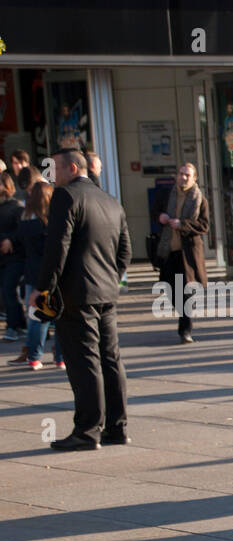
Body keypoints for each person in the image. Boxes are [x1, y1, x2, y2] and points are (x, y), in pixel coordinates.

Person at [32, 148, 131, 450]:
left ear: (72, 168)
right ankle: (117, 428)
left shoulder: (67, 197)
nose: (52, 175)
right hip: (106, 293)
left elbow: (57, 246)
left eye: (56, 168)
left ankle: (87, 430)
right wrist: (111, 278)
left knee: (85, 361)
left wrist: (43, 288)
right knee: (110, 359)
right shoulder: (110, 200)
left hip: (78, 295)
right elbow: (125, 250)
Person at [6, 182, 62, 369]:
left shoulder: (25, 221)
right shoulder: (52, 223)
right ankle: (61, 357)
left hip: (32, 273)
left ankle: (34, 356)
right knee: (60, 317)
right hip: (54, 273)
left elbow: (20, 247)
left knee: (37, 318)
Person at [156, 162, 210, 344]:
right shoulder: (168, 195)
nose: (183, 177)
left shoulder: (199, 199)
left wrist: (183, 225)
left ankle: (185, 330)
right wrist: (161, 217)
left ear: (194, 178)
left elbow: (204, 225)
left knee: (186, 291)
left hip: (187, 253)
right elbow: (156, 211)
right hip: (169, 250)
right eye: (181, 174)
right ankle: (182, 313)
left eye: (188, 175)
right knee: (169, 288)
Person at [0, 172, 24, 342]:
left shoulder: (15, 206)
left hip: (14, 257)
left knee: (9, 289)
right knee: (6, 291)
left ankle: (13, 327)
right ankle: (20, 324)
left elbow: (21, 230)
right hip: (3, 258)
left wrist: (10, 239)